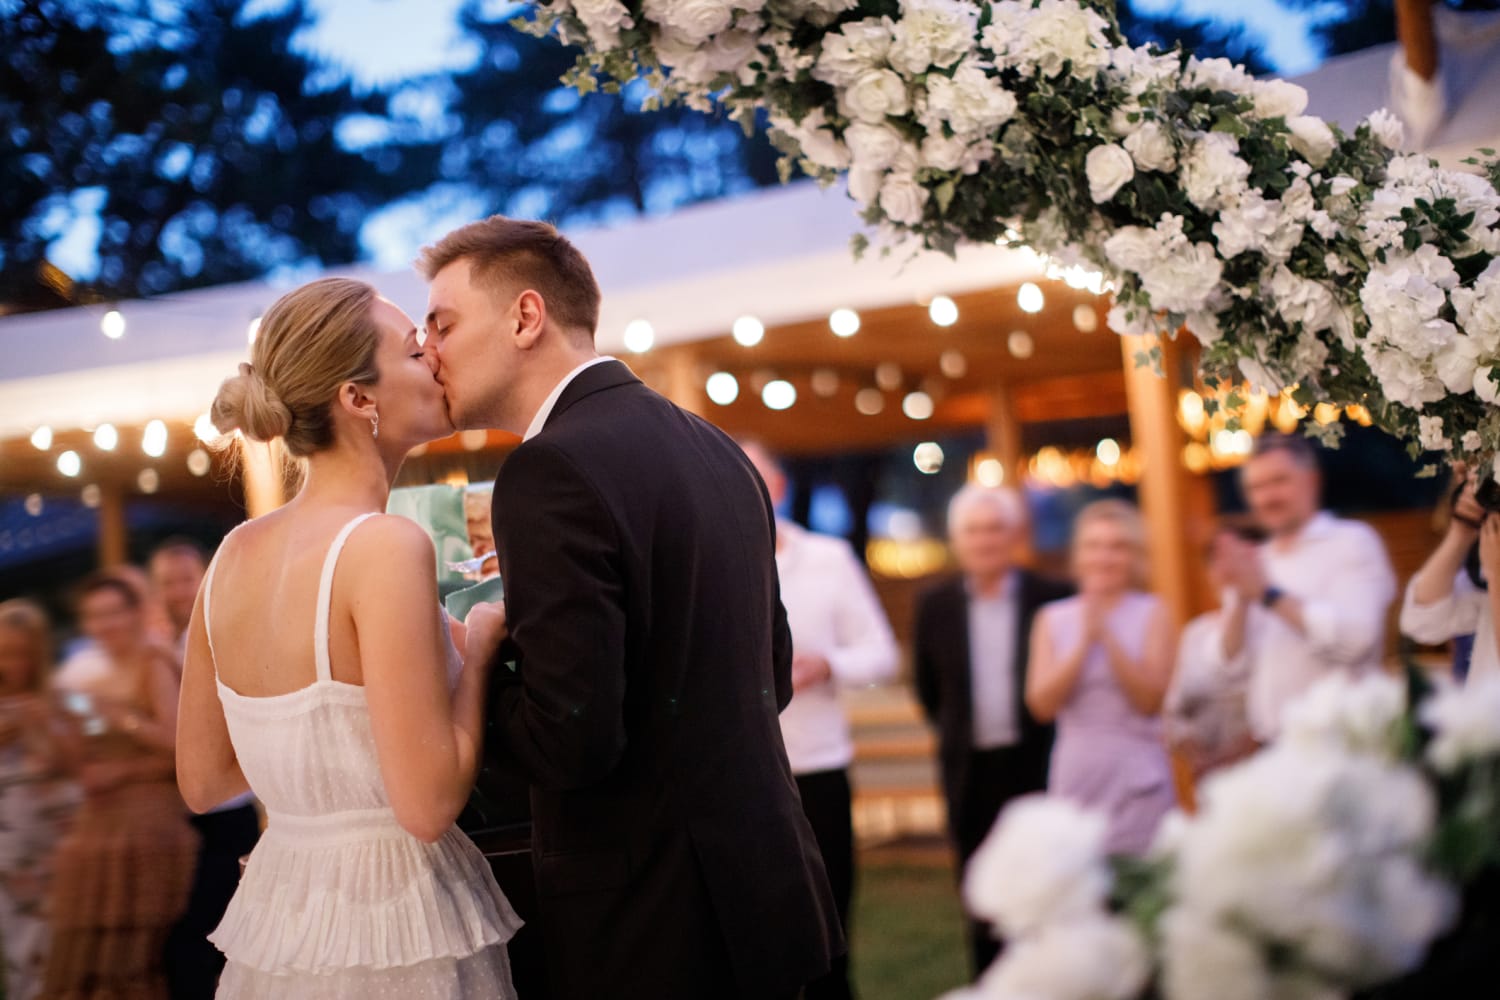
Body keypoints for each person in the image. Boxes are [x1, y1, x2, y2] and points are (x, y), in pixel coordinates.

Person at [419, 217, 842, 1000]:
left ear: (525, 316)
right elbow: (769, 676)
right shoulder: (716, 448)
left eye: (442, 323)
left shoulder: (549, 470)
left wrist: (469, 669)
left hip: (654, 927)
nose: (428, 351)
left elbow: (572, 740)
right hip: (766, 896)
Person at [176, 277, 522, 998]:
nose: (432, 356)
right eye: (410, 349)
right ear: (358, 398)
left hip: (284, 924)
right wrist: (482, 648)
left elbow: (206, 781)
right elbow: (426, 808)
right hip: (394, 926)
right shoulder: (385, 547)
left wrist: (324, 781)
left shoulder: (232, 556)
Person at [741, 441, 900, 1000]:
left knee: (831, 932)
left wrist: (828, 665)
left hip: (818, 766)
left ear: (779, 488)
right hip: (742, 780)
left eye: (758, 482)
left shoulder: (829, 559)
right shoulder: (707, 562)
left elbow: (882, 652)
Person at [912, 484, 1071, 977]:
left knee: (1048, 884)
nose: (985, 541)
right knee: (981, 892)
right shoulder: (933, 605)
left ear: (1014, 535)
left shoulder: (1053, 598)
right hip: (970, 768)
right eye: (974, 531)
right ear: (959, 540)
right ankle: (991, 984)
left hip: (1038, 762)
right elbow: (928, 688)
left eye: (994, 529)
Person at [41, 572, 199, 1000]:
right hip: (97, 818)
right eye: (94, 616)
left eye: (114, 612)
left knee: (130, 960)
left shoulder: (153, 661)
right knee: (79, 950)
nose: (105, 624)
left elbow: (178, 744)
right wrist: (57, 726)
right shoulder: (82, 672)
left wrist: (121, 720)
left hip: (149, 820)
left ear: (135, 613)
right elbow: (78, 751)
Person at [1216, 433, 1398, 741]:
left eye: (1279, 481)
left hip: (1345, 739)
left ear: (1312, 481)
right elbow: (1230, 668)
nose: (1266, 497)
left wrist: (1267, 595)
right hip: (1273, 744)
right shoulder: (1254, 560)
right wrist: (1241, 600)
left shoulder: (1352, 542)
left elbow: (1357, 641)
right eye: (1256, 488)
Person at [1026, 499, 1177, 856]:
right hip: (1078, 770)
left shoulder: (1154, 613)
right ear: (1079, 555)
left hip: (1137, 774)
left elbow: (1150, 700)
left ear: (1133, 555)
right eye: (1094, 546)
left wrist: (1108, 637)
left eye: (1117, 547)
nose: (1104, 558)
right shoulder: (1053, 618)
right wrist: (1083, 642)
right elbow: (1041, 705)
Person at [149, 538, 262, 1000]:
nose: (178, 591)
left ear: (203, 579)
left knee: (225, 931)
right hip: (179, 815)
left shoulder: (226, 633)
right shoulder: (161, 648)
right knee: (186, 939)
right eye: (167, 583)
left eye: (185, 579)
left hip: (228, 805)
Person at [0, 600, 80, 1000]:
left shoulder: (63, 695)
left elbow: (89, 748)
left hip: (59, 850)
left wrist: (45, 724)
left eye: (21, 653)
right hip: (11, 858)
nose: (13, 664)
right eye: (5, 652)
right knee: (21, 960)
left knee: (65, 959)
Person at [1163, 521, 1265, 788]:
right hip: (1209, 775)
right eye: (1217, 560)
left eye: (1238, 559)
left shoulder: (1275, 629)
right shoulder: (1196, 633)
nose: (1227, 570)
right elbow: (1174, 711)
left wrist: (1241, 751)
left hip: (1267, 769)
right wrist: (1197, 754)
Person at [1401, 466, 1500, 683]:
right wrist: (1461, 532)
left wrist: (1496, 575)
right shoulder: (1481, 577)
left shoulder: (1492, 571)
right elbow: (1421, 622)